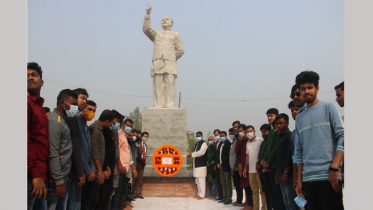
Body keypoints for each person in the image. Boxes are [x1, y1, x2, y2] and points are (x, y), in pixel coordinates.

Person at [295, 71, 344, 210]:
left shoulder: (328, 108)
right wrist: (299, 180)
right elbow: (299, 149)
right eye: (303, 89)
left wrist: (335, 168)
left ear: (317, 88)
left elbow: (342, 136)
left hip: (329, 176)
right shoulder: (299, 118)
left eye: (310, 87)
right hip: (308, 179)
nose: (307, 91)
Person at [143, 3, 185, 108]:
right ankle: (159, 104)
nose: (164, 20)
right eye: (163, 19)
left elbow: (181, 49)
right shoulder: (157, 33)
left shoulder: (175, 34)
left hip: (170, 61)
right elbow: (146, 30)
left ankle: (170, 104)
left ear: (171, 23)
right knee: (158, 84)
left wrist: (172, 56)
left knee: (169, 83)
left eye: (167, 19)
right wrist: (148, 15)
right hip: (157, 59)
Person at [47, 89, 79, 210]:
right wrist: (59, 181)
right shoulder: (55, 122)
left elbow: (64, 150)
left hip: (64, 176)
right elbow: (53, 153)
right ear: (62, 103)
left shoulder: (64, 121)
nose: (75, 108)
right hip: (56, 180)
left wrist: (68, 169)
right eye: (73, 104)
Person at [27, 62, 49, 210]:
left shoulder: (39, 107)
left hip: (41, 174)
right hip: (31, 175)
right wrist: (35, 174)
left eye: (34, 75)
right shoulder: (26, 104)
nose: (30, 78)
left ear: (41, 82)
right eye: (27, 76)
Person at [83, 110, 115, 210]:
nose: (111, 125)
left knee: (96, 200)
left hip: (99, 169)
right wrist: (100, 170)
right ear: (107, 121)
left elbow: (103, 152)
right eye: (111, 122)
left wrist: (106, 167)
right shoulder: (95, 129)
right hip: (95, 170)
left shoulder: (101, 130)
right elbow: (94, 152)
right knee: (90, 200)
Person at [66, 88, 90, 210]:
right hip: (71, 170)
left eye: (86, 99)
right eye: (82, 98)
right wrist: (81, 171)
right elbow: (76, 147)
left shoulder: (78, 120)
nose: (84, 101)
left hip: (78, 170)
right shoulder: (69, 119)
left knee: (75, 202)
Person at [73, 100, 98, 210]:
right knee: (76, 203)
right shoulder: (76, 124)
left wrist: (92, 169)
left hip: (88, 170)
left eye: (94, 111)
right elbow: (79, 151)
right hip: (80, 171)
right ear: (83, 108)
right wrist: (88, 171)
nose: (91, 112)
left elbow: (89, 151)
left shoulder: (86, 127)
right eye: (89, 109)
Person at [95, 110, 122, 210]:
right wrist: (105, 167)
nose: (115, 123)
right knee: (101, 197)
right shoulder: (101, 130)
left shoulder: (110, 131)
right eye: (114, 121)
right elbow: (101, 151)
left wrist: (113, 165)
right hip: (104, 168)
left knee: (108, 194)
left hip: (110, 167)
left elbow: (113, 151)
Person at [262, 108, 286, 210]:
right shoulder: (272, 132)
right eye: (268, 116)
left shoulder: (278, 131)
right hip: (270, 166)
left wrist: (268, 160)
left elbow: (276, 148)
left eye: (271, 116)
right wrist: (264, 161)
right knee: (273, 193)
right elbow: (268, 149)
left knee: (280, 194)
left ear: (277, 115)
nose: (269, 118)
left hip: (276, 165)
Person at [274, 114, 298, 210]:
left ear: (287, 123)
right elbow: (279, 158)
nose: (278, 125)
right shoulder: (280, 137)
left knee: (291, 202)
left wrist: (285, 173)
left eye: (281, 123)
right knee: (285, 201)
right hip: (280, 174)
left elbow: (289, 156)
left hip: (288, 175)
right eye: (277, 123)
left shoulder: (289, 136)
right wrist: (277, 174)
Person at [243, 126, 266, 210]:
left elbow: (264, 153)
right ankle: (256, 208)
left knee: (262, 191)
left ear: (254, 131)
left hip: (259, 170)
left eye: (250, 131)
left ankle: (264, 208)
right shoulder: (247, 143)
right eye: (247, 132)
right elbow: (247, 156)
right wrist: (245, 168)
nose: (249, 133)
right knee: (254, 191)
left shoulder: (260, 140)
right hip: (251, 170)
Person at [257, 124, 275, 210]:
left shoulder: (270, 141)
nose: (263, 133)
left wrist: (263, 163)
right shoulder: (263, 142)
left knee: (270, 191)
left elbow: (269, 155)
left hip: (268, 170)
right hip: (261, 171)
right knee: (265, 191)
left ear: (269, 131)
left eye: (265, 131)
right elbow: (260, 155)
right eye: (262, 132)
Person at [235, 124, 253, 210]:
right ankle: (248, 202)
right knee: (245, 184)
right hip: (242, 165)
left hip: (249, 165)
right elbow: (236, 151)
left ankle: (251, 204)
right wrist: (238, 141)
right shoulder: (241, 140)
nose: (240, 133)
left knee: (249, 185)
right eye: (239, 132)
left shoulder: (248, 140)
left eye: (242, 131)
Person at [187, 131, 208, 200]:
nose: (198, 137)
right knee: (198, 181)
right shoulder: (196, 144)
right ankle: (199, 194)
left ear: (202, 136)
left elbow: (201, 152)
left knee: (201, 180)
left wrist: (192, 155)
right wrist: (191, 155)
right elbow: (195, 152)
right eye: (197, 136)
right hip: (196, 165)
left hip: (201, 165)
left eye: (199, 136)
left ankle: (202, 195)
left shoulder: (204, 144)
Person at [216, 131, 232, 205]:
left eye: (223, 136)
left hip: (226, 166)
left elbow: (227, 156)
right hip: (220, 166)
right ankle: (224, 198)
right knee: (223, 183)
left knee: (228, 183)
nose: (222, 137)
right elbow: (219, 155)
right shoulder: (221, 144)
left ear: (226, 136)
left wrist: (222, 164)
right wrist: (218, 164)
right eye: (221, 136)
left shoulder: (228, 143)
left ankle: (229, 198)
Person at [229, 125, 243, 206]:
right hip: (233, 166)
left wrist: (233, 167)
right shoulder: (234, 141)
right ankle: (238, 200)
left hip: (237, 166)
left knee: (239, 185)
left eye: (236, 128)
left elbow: (235, 155)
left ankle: (240, 200)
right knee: (236, 184)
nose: (235, 130)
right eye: (234, 128)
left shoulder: (239, 140)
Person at [135, 131, 149, 199]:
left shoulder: (145, 145)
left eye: (147, 137)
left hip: (142, 164)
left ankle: (139, 193)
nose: (145, 138)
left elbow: (144, 153)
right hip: (137, 163)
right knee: (135, 179)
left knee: (140, 180)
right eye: (144, 136)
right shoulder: (138, 143)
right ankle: (133, 194)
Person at [213, 129, 223, 201]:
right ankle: (220, 196)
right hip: (217, 164)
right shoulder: (216, 143)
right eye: (215, 135)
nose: (216, 136)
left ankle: (223, 196)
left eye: (217, 135)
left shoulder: (222, 142)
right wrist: (216, 164)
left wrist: (220, 163)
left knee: (222, 181)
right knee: (218, 181)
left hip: (221, 165)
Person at [206, 135, 217, 200]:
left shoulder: (215, 146)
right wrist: (207, 161)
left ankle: (214, 194)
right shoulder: (209, 147)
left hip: (214, 165)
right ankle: (211, 194)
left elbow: (215, 156)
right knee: (211, 180)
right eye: (209, 140)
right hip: (209, 166)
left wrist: (213, 163)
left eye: (211, 139)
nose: (210, 141)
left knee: (214, 181)